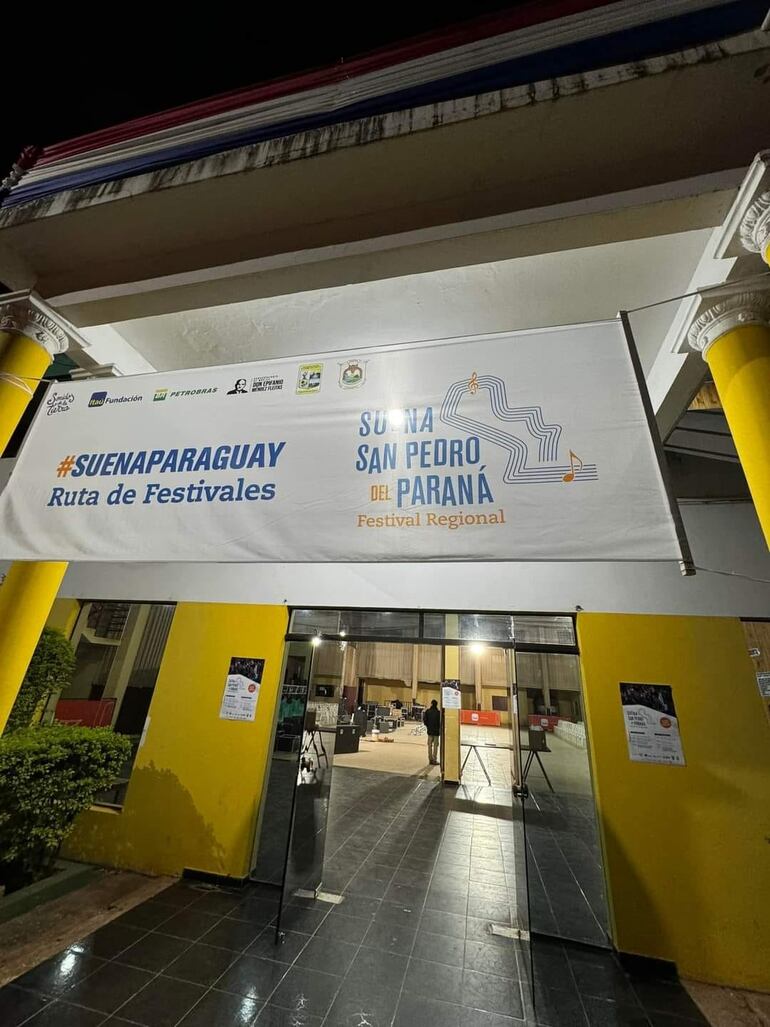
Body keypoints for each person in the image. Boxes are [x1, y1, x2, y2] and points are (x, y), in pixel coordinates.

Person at [423, 699, 441, 765]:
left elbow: (425, 720)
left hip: (430, 732)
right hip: (436, 732)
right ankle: (434, 759)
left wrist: (428, 726)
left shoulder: (427, 711)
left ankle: (430, 759)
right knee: (435, 746)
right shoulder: (438, 713)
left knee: (429, 746)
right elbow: (440, 722)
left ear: (431, 704)